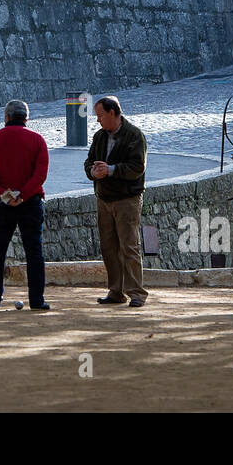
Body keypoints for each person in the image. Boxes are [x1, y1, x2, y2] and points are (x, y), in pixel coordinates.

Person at [0, 100, 50, 311]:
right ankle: (36, 300)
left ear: (6, 117)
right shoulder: (37, 140)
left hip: (2, 203)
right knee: (34, 250)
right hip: (30, 202)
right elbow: (40, 174)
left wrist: (3, 193)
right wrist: (24, 194)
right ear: (26, 118)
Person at [85, 95, 149, 307]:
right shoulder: (99, 136)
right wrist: (94, 172)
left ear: (113, 113)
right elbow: (88, 161)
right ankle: (116, 291)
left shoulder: (134, 136)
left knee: (129, 245)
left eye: (100, 115)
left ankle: (137, 293)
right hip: (104, 198)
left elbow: (137, 167)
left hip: (126, 200)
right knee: (109, 247)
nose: (98, 120)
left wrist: (111, 170)